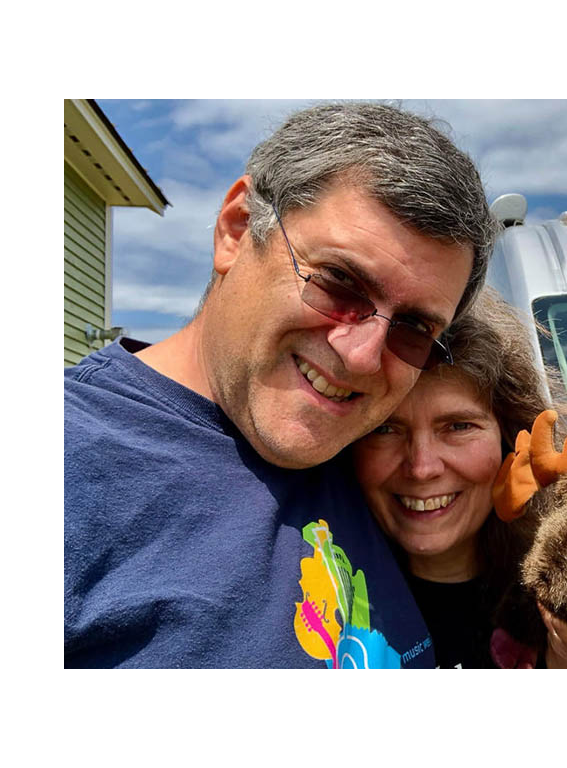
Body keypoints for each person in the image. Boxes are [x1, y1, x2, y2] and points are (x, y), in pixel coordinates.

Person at [64, 102, 498, 668]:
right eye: (339, 283)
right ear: (237, 228)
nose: (363, 356)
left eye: (414, 328)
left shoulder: (366, 457)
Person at [352, 288, 567, 668]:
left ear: (512, 441)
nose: (421, 467)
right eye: (385, 429)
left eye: (458, 426)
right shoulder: (314, 588)